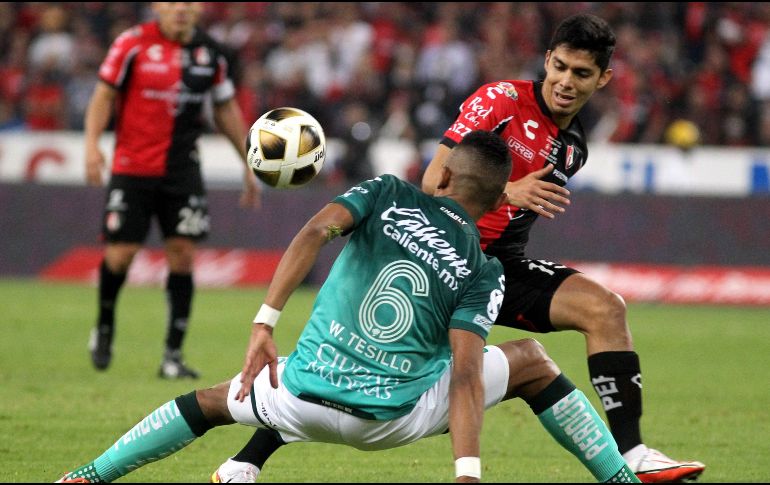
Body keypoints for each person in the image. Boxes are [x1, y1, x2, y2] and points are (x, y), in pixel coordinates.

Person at [57, 131, 639, 484]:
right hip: (388, 424)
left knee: (209, 402)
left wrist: (265, 323)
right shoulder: (485, 272)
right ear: (496, 199)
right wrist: (467, 472)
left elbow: (314, 231)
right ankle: (619, 476)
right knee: (532, 360)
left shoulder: (385, 192)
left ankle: (90, 475)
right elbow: (464, 376)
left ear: (446, 174)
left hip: (297, 400)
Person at [424, 13, 704, 483]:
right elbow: (434, 183)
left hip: (496, 268)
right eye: (561, 68)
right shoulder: (502, 100)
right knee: (372, 380)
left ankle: (632, 453)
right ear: (547, 60)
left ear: (603, 78)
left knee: (605, 309)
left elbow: (512, 231)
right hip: (440, 259)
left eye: (582, 74)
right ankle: (258, 448)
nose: (567, 82)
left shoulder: (572, 147)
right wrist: (507, 190)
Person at [84, 3, 260, 379]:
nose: (181, 8)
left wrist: (248, 161)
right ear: (158, 7)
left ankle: (172, 356)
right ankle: (104, 325)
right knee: (121, 255)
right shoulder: (132, 44)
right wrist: (91, 146)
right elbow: (102, 96)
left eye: (189, 2)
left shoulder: (210, 54)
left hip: (182, 171)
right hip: (133, 168)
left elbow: (225, 109)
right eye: (172, 1)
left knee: (182, 254)